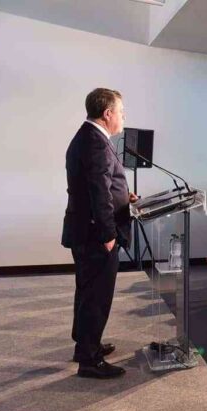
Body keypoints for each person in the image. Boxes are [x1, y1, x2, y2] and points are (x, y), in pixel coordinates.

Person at [62, 88, 136, 379]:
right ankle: (89, 360)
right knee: (96, 296)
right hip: (96, 234)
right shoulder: (95, 142)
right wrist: (108, 234)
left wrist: (124, 197)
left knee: (87, 291)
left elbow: (98, 185)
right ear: (107, 114)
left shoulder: (87, 137)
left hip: (84, 230)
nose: (123, 117)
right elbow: (98, 192)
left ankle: (85, 345)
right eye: (121, 112)